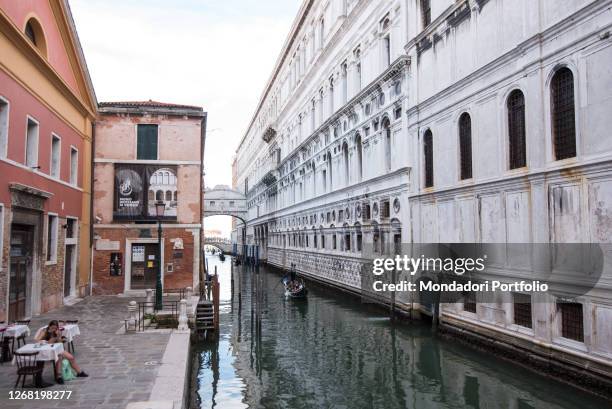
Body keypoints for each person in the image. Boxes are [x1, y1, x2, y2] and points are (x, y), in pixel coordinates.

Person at [36, 320, 88, 384]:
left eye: (55, 328)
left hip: (57, 348)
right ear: (49, 326)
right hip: (46, 349)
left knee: (71, 357)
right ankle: (58, 377)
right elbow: (38, 340)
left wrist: (58, 336)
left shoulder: (58, 332)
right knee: (59, 357)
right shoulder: (44, 331)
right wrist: (44, 341)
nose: (53, 329)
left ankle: (79, 372)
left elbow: (60, 343)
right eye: (52, 328)